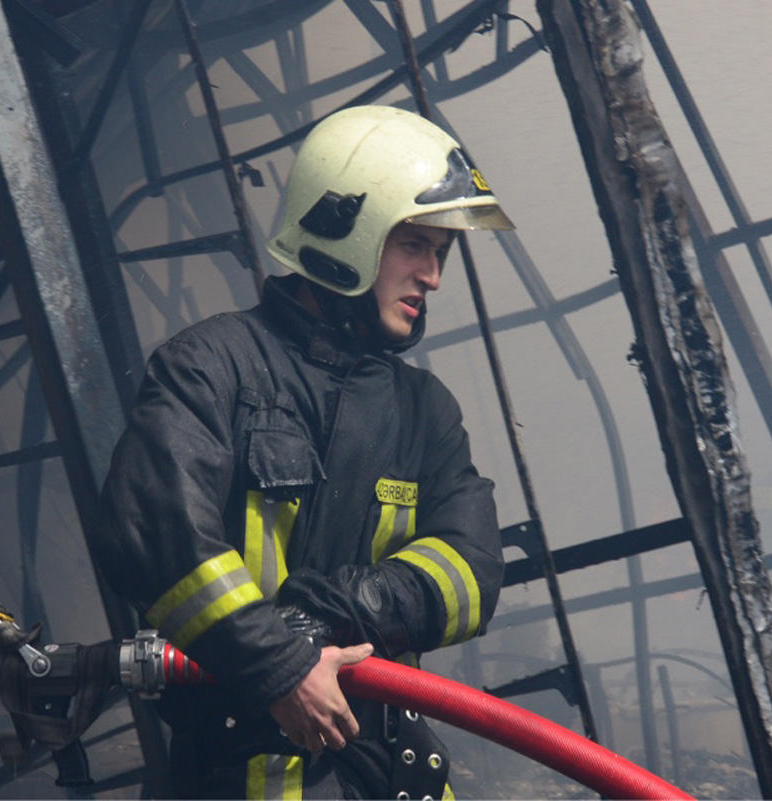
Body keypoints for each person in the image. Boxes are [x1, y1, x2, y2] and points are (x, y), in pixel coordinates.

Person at [93, 105, 513, 799]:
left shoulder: (424, 413)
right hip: (233, 773)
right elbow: (153, 534)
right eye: (414, 244)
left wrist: (329, 610)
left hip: (381, 771)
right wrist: (278, 663)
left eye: (440, 253)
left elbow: (473, 574)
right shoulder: (210, 367)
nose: (433, 276)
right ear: (345, 227)